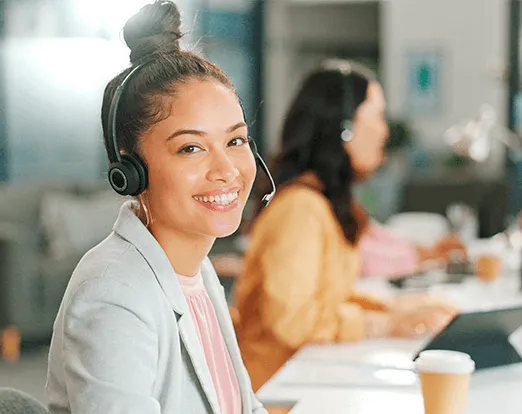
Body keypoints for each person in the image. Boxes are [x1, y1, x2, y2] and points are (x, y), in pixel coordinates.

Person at [45, 2, 267, 413]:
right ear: (130, 170)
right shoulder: (113, 295)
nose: (226, 170)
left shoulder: (196, 270)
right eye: (191, 148)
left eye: (235, 141)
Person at [233, 59, 457, 391]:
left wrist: (401, 308)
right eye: (377, 116)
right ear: (345, 128)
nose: (384, 130)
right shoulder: (300, 209)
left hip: (304, 378)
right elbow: (292, 320)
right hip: (275, 391)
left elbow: (325, 297)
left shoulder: (320, 204)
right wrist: (386, 324)